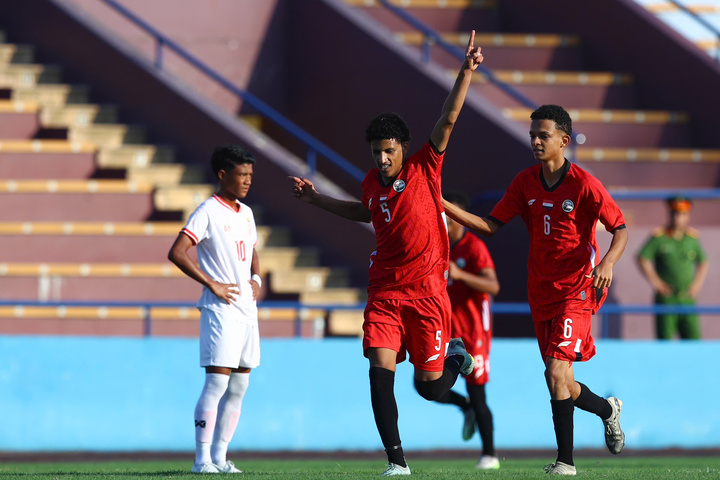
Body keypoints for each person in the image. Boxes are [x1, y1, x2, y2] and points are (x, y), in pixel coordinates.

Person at [288, 31, 483, 477]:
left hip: (429, 294)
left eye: (388, 150)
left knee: (431, 388)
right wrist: (317, 200)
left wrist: (466, 71)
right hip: (385, 292)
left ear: (403, 149)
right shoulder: (371, 184)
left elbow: (447, 120)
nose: (381, 158)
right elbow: (365, 210)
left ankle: (456, 357)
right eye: (376, 151)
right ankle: (397, 463)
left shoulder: (425, 167)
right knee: (380, 371)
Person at [442, 104, 628, 476]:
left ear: (564, 139)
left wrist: (607, 263)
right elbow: (491, 224)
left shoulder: (584, 184)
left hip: (577, 289)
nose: (536, 141)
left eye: (543, 135)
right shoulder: (525, 182)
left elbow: (619, 228)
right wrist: (442, 204)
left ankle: (565, 462)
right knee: (559, 379)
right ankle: (609, 410)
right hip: (541, 293)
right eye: (532, 136)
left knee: (558, 374)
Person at [168, 144, 262, 474]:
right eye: (242, 174)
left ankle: (221, 457)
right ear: (223, 175)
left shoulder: (246, 213)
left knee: (240, 385)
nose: (248, 180)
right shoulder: (207, 210)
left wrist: (256, 278)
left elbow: (251, 250)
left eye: (251, 174)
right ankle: (201, 459)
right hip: (220, 309)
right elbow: (178, 252)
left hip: (246, 310)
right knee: (217, 384)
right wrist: (213, 284)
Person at [434, 190, 501, 470]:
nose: (447, 223)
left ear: (461, 219)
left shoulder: (473, 247)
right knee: (425, 384)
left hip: (473, 333)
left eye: (451, 217)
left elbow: (493, 286)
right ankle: (465, 408)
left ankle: (490, 455)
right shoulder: (438, 246)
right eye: (444, 217)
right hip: (446, 332)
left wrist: (460, 275)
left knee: (478, 394)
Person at [637, 196, 708, 340]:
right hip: (667, 298)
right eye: (675, 213)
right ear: (670, 214)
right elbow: (643, 258)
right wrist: (656, 282)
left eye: (682, 214)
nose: (678, 218)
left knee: (693, 341)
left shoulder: (692, 238)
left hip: (687, 297)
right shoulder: (660, 237)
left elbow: (703, 262)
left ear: (688, 216)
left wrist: (697, 284)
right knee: (665, 340)